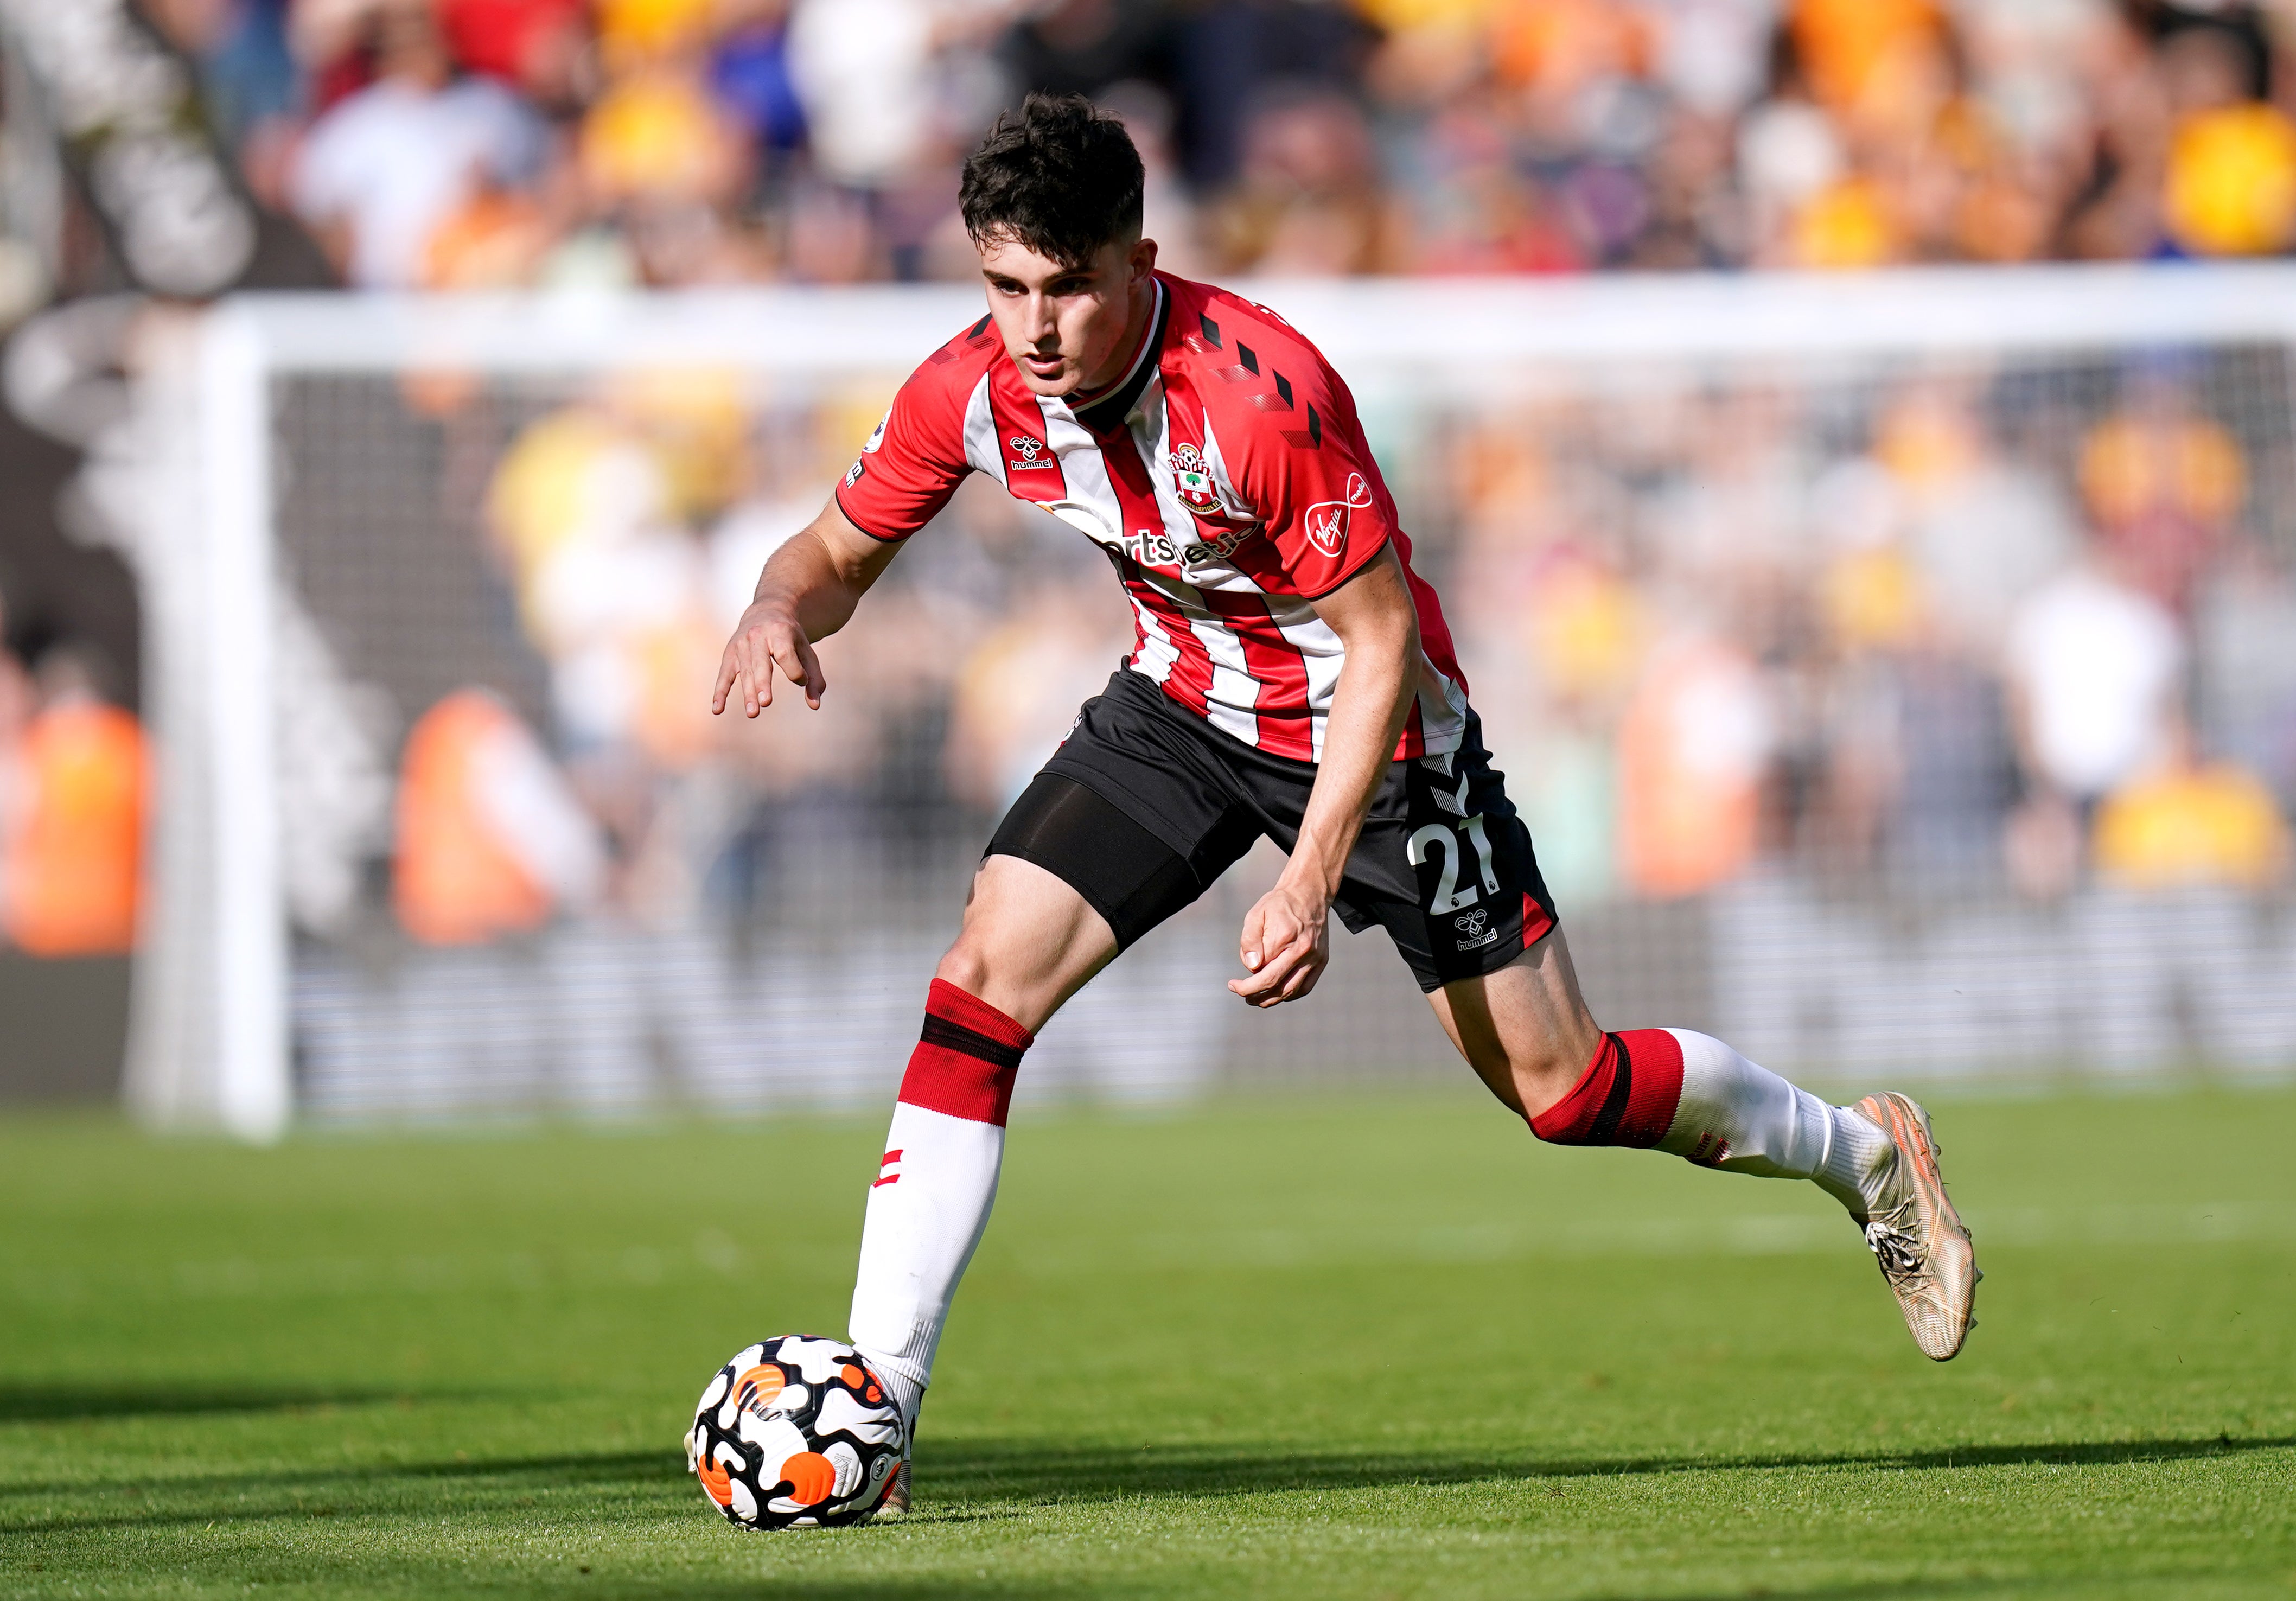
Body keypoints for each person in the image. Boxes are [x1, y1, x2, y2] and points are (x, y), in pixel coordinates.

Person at [710, 92, 1978, 1515]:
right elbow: (826, 551)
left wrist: (1309, 877)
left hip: (1380, 745)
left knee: (1566, 1093)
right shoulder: (971, 394)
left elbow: (1375, 647)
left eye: (1067, 287)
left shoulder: (1259, 392)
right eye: (1007, 288)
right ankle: (879, 1408)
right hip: (1181, 709)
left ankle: (1865, 1160)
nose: (1037, 327)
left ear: (1139, 258)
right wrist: (776, 610)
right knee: (979, 983)